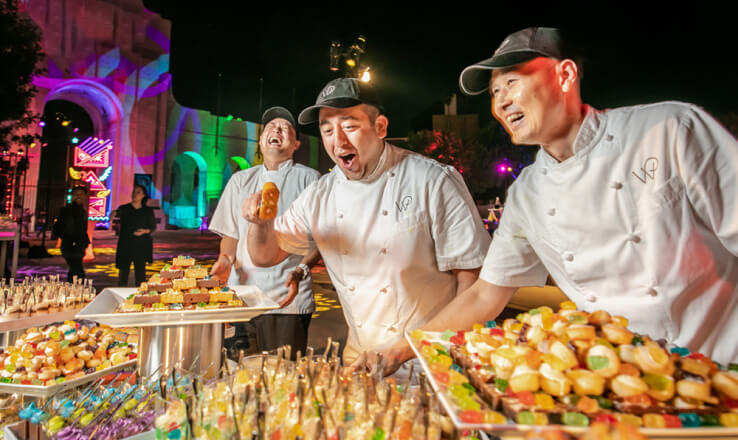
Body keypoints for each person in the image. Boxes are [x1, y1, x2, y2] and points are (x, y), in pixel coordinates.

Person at [379, 26, 738, 375]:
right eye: (494, 92)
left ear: (565, 75)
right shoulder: (527, 193)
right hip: (616, 383)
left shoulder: (671, 129)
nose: (501, 101)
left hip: (719, 372)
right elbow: (484, 296)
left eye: (512, 83)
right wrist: (402, 349)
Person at [243, 79, 491, 373]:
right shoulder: (319, 194)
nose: (338, 141)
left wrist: (434, 350)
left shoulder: (433, 180)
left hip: (431, 362)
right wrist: (260, 223)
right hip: (360, 361)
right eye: (327, 130)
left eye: (349, 126)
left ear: (381, 127)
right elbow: (265, 255)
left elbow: (472, 282)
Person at [210, 107, 321, 360]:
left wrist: (301, 270)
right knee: (239, 376)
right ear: (261, 141)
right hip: (242, 298)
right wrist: (225, 260)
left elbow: (320, 241)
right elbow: (231, 233)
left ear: (295, 144)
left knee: (283, 379)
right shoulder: (241, 180)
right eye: (271, 127)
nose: (276, 130)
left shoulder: (310, 180)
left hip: (287, 302)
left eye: (285, 128)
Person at [115, 183, 156, 286]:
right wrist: (113, 214)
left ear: (143, 195)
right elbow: (116, 213)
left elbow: (152, 227)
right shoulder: (124, 208)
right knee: (123, 274)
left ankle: (140, 297)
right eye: (134, 192)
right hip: (125, 244)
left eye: (138, 192)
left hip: (140, 246)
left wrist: (144, 231)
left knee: (140, 274)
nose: (135, 194)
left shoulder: (147, 211)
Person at [55, 185, 90, 282]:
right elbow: (62, 228)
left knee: (75, 269)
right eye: (76, 194)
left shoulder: (81, 210)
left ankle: (74, 288)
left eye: (81, 194)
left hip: (78, 244)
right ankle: (76, 288)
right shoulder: (68, 210)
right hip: (71, 245)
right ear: (73, 196)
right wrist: (71, 240)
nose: (79, 196)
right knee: (77, 270)